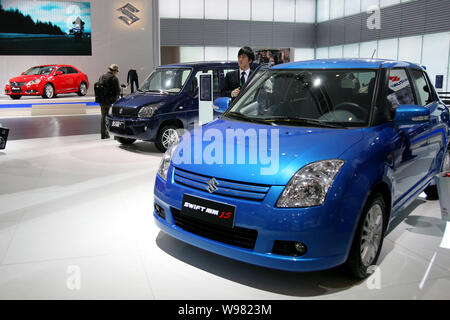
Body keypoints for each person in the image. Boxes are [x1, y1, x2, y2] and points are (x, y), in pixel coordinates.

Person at [98, 64, 120, 139]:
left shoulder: (101, 76)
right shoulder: (114, 78)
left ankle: (103, 134)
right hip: (111, 101)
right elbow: (117, 91)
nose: (117, 73)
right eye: (117, 71)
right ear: (114, 71)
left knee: (103, 117)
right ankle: (116, 135)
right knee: (114, 118)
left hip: (101, 101)